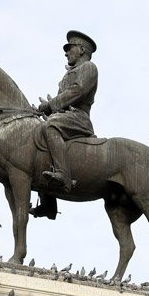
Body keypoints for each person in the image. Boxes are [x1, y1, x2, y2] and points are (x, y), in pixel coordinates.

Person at [38, 30, 98, 192]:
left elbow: (78, 91)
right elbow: (61, 102)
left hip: (79, 118)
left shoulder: (88, 67)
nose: (66, 53)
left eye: (69, 48)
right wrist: (47, 109)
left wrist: (51, 105)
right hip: (65, 117)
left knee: (49, 127)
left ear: (82, 50)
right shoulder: (67, 75)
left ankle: (63, 176)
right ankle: (48, 203)